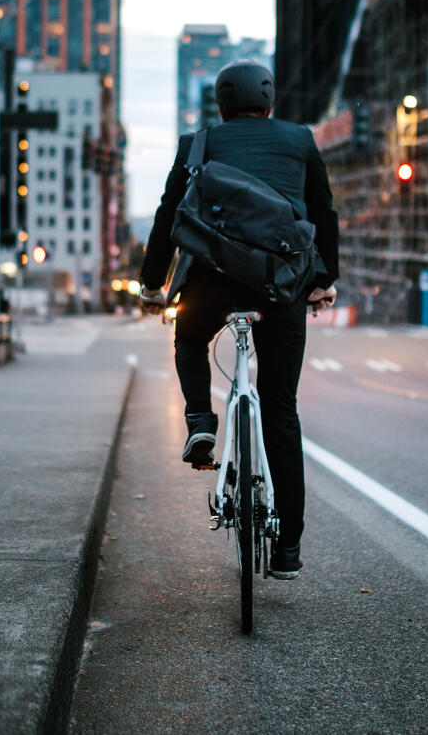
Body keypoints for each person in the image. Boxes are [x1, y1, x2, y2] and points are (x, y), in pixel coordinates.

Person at [138, 60, 339, 580]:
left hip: (211, 280)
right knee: (280, 411)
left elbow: (168, 216)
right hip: (279, 286)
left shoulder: (197, 144)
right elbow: (323, 213)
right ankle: (289, 549)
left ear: (221, 108)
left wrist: (152, 283)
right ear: (270, 104)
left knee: (188, 340)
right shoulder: (299, 140)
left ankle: (201, 424)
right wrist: (323, 279)